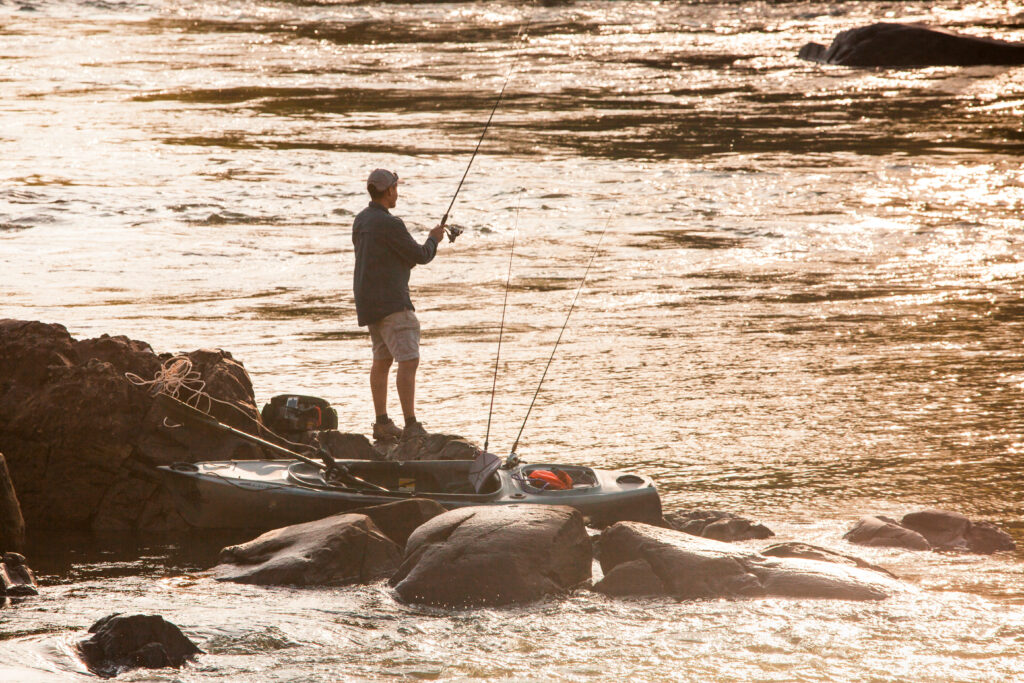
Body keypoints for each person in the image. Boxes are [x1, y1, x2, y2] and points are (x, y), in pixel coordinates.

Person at [352, 169, 446, 442]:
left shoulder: (361, 220)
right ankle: (411, 425)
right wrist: (434, 239)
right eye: (396, 187)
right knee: (409, 359)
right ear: (389, 191)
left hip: (368, 302)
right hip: (392, 302)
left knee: (381, 360)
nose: (397, 192)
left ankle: (381, 423)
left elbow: (377, 255)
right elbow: (420, 255)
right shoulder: (391, 224)